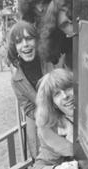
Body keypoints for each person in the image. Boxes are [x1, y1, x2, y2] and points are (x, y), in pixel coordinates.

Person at [33, 68, 88, 169]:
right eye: (57, 94)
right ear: (53, 104)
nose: (65, 96)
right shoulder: (52, 130)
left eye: (68, 88)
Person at [7, 20, 54, 157]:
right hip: (41, 124)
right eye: (19, 42)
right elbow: (28, 108)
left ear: (37, 41)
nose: (25, 45)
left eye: (29, 39)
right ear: (15, 48)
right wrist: (47, 116)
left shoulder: (51, 61)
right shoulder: (16, 79)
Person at [38, 0, 74, 69]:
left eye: (72, 18)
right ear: (61, 32)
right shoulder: (68, 61)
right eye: (65, 24)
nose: (73, 25)